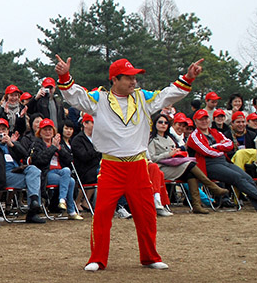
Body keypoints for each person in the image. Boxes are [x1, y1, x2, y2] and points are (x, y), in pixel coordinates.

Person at [57, 55, 202, 271]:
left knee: (146, 214)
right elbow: (75, 97)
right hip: (111, 166)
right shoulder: (100, 99)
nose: (134, 82)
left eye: (135, 78)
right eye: (129, 78)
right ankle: (97, 259)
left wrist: (188, 78)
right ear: (115, 79)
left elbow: (167, 95)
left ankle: (150, 256)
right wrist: (64, 76)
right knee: (103, 214)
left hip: (138, 165)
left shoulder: (143, 97)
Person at [188, 108, 257, 213]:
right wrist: (220, 149)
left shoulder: (215, 132)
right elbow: (206, 151)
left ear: (209, 120)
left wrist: (215, 146)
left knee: (247, 177)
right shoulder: (194, 136)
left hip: (223, 161)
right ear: (195, 121)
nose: (204, 121)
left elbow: (229, 144)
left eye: (206, 118)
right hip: (208, 165)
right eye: (201, 119)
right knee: (236, 177)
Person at [148, 113, 228, 214]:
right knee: (190, 165)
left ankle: (197, 206)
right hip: (161, 168)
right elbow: (152, 158)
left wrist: (176, 152)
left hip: (175, 164)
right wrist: (168, 154)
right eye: (160, 122)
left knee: (191, 174)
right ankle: (212, 187)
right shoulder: (152, 139)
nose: (163, 124)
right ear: (155, 124)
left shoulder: (170, 138)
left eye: (166, 122)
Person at [0, 118, 45, 223]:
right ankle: (33, 210)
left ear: (7, 131)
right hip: (2, 175)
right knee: (34, 179)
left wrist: (12, 145)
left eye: (4, 130)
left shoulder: (12, 144)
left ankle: (34, 203)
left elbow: (25, 155)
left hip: (17, 172)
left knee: (34, 171)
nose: (1, 132)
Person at [29, 119, 82, 220]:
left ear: (53, 131)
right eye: (45, 130)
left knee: (67, 170)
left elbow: (70, 159)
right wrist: (53, 147)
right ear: (40, 132)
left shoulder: (58, 143)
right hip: (46, 173)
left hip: (60, 172)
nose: (48, 132)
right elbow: (40, 160)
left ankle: (62, 199)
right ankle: (70, 210)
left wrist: (59, 149)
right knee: (70, 181)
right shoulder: (37, 144)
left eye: (50, 130)